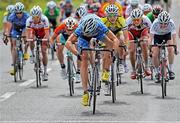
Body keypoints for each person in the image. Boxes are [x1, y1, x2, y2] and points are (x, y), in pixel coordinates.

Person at [65, 14, 119, 106]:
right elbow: (68, 43)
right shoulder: (81, 28)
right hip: (83, 37)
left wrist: (113, 52)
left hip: (98, 33)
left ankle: (106, 70)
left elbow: (115, 39)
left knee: (109, 45)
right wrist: (77, 54)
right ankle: (85, 92)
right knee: (84, 60)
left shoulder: (100, 26)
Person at [50, 17, 81, 82]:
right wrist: (52, 46)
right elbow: (52, 38)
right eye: (68, 30)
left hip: (75, 37)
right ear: (65, 28)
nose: (70, 32)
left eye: (72, 30)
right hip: (64, 36)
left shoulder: (79, 27)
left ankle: (78, 72)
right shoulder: (61, 27)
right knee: (59, 47)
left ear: (75, 28)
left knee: (79, 50)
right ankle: (62, 66)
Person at [150, 11, 177, 82]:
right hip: (157, 36)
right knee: (155, 54)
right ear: (158, 21)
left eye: (165, 23)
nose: (163, 25)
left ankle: (170, 70)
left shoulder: (171, 23)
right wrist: (149, 48)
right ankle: (157, 72)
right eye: (161, 23)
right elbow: (151, 37)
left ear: (168, 22)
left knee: (171, 49)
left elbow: (174, 37)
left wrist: (175, 47)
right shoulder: (155, 23)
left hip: (167, 35)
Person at [101, 4, 129, 73]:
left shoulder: (121, 20)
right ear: (106, 15)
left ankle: (121, 62)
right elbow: (100, 34)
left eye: (114, 15)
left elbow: (126, 35)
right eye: (110, 15)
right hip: (108, 34)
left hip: (118, 32)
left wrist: (126, 46)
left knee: (121, 40)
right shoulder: (103, 20)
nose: (112, 17)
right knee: (106, 52)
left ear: (117, 15)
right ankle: (105, 70)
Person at [126, 8, 152, 79]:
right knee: (131, 50)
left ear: (141, 18)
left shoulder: (146, 19)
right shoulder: (128, 21)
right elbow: (125, 34)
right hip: (132, 33)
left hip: (143, 32)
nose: (136, 21)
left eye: (138, 20)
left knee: (144, 44)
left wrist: (148, 41)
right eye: (134, 20)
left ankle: (146, 67)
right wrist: (127, 44)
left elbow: (151, 32)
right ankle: (133, 70)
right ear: (132, 19)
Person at [5, 2, 30, 75]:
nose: (19, 14)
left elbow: (29, 27)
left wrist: (27, 36)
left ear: (23, 11)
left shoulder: (27, 16)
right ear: (15, 12)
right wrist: (7, 35)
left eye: (20, 12)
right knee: (14, 44)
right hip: (15, 29)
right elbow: (9, 28)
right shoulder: (12, 16)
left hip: (24, 28)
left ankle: (25, 52)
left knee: (26, 38)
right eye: (17, 13)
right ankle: (14, 65)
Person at [26, 6, 50, 81]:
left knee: (43, 51)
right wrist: (28, 38)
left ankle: (45, 72)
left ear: (40, 16)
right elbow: (28, 32)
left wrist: (45, 40)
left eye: (37, 17)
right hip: (34, 31)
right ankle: (33, 54)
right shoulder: (29, 20)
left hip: (43, 33)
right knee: (30, 39)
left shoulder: (45, 19)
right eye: (33, 17)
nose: (35, 19)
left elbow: (47, 33)